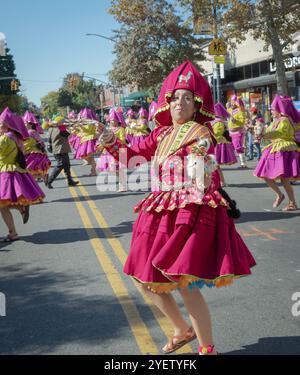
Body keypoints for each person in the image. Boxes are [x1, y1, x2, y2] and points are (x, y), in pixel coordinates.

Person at [99, 61, 256, 355]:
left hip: (187, 212)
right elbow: (131, 155)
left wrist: (203, 165)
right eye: (175, 98)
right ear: (166, 103)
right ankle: (181, 329)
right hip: (157, 210)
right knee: (142, 278)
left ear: (196, 106)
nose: (180, 103)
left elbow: (203, 169)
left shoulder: (200, 133)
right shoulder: (159, 135)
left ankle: (207, 348)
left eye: (187, 98)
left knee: (184, 282)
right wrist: (109, 141)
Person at [0, 107, 45, 242]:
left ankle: (13, 232)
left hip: (5, 171)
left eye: (1, 125)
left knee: (2, 205)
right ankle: (20, 208)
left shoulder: (4, 139)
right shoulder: (17, 138)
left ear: (7, 126)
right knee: (3, 203)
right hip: (13, 169)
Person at [253, 95, 300, 211]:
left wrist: (264, 135)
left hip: (284, 149)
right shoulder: (276, 121)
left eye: (273, 109)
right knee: (264, 174)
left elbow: (279, 132)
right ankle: (280, 195)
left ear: (280, 110)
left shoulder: (285, 120)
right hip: (275, 149)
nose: (271, 111)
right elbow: (269, 132)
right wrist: (259, 132)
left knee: (284, 179)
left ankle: (292, 203)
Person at [46, 116, 79, 188]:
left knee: (67, 165)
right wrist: (73, 127)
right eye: (63, 121)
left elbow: (49, 139)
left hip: (60, 149)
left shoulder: (51, 128)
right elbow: (67, 134)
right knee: (60, 165)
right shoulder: (61, 129)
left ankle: (70, 181)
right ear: (60, 122)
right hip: (60, 150)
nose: (64, 122)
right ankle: (49, 180)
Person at [211, 103, 237, 187]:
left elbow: (217, 133)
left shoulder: (218, 122)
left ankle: (221, 181)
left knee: (215, 165)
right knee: (214, 165)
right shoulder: (216, 121)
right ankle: (219, 181)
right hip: (216, 143)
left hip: (218, 144)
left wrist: (209, 134)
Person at [74, 108, 98, 176]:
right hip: (83, 141)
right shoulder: (83, 123)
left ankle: (93, 170)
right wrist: (76, 128)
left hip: (89, 141)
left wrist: (80, 126)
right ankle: (93, 168)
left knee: (89, 156)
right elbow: (80, 131)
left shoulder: (91, 123)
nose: (83, 118)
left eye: (84, 117)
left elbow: (87, 131)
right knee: (84, 157)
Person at [227, 95, 248, 168]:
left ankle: (243, 163)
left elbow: (242, 122)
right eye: (231, 102)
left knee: (238, 146)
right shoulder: (229, 110)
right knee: (232, 146)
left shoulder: (240, 111)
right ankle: (232, 160)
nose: (232, 104)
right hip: (230, 132)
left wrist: (235, 121)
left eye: (234, 102)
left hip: (238, 132)